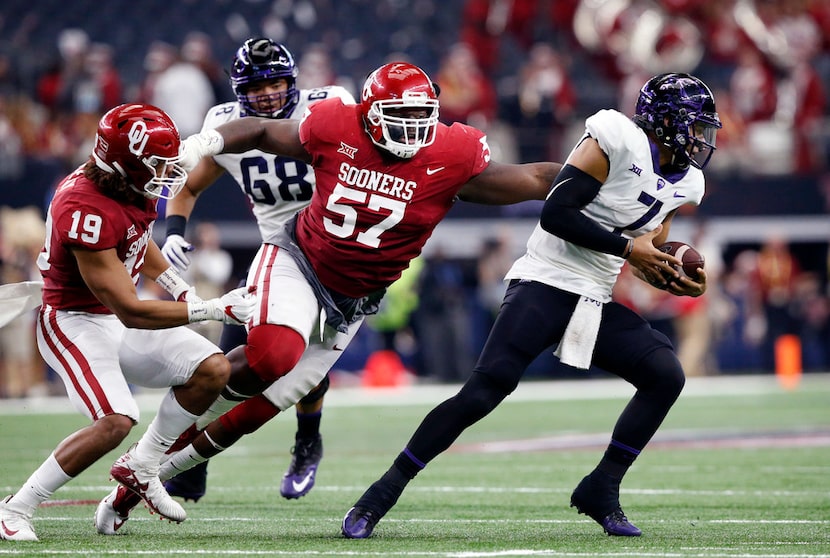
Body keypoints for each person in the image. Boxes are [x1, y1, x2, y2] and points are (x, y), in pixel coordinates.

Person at [93, 61, 563, 527]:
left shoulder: (453, 152)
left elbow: (537, 179)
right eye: (402, 117)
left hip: (352, 302)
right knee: (273, 355)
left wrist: (599, 182)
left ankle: (138, 480)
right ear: (371, 113)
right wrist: (204, 143)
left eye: (423, 118)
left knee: (263, 405)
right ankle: (150, 450)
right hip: (298, 260)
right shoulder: (338, 122)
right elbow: (258, 131)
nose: (415, 130)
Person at [341, 72, 721, 539]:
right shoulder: (615, 139)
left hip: (595, 295)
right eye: (694, 126)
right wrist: (629, 252)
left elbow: (646, 248)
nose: (702, 139)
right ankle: (380, 494)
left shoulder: (688, 184)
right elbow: (556, 213)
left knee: (666, 375)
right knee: (483, 392)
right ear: (663, 122)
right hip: (546, 280)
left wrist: (672, 273)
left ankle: (601, 487)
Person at [0, 103, 256, 542]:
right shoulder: (84, 207)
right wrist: (215, 307)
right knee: (116, 420)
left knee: (213, 369)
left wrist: (177, 284)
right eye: (156, 164)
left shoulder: (127, 181)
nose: (165, 173)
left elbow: (136, 240)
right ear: (124, 165)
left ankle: (143, 465)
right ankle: (15, 508)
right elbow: (130, 309)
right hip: (72, 321)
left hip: (112, 317)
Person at [157, 38, 355, 503]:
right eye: (257, 85)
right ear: (237, 90)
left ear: (294, 81)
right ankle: (192, 466)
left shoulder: (329, 107)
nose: (267, 93)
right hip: (276, 255)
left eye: (276, 82)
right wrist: (174, 230)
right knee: (225, 364)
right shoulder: (225, 125)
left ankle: (308, 439)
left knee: (302, 356)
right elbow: (188, 186)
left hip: (331, 253)